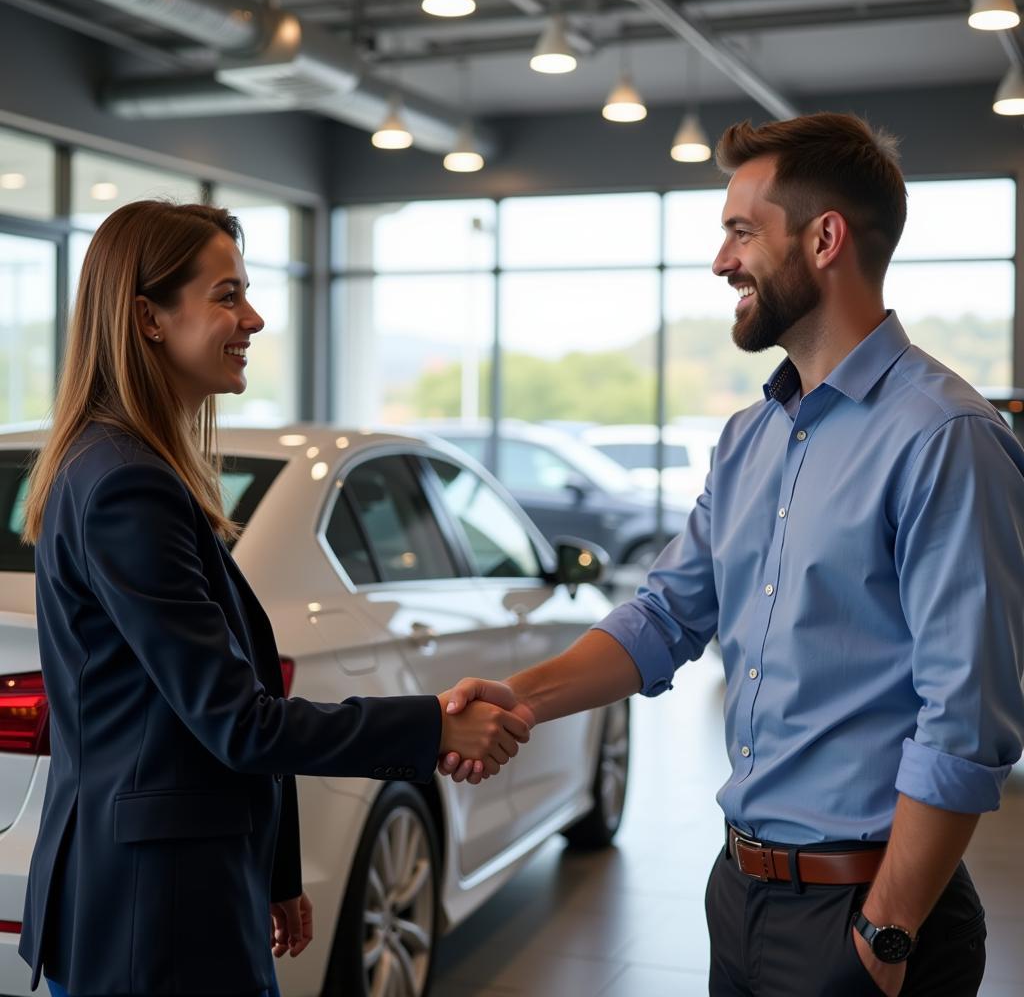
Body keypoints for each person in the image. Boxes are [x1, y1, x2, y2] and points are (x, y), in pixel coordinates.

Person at [440, 113, 1024, 997]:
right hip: (741, 893)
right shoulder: (751, 437)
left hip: (869, 913)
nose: (721, 263)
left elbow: (967, 721)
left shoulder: (945, 437)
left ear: (826, 239)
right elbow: (666, 615)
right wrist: (519, 698)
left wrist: (887, 936)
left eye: (742, 232)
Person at [18, 200, 530, 997]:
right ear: (149, 317)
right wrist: (434, 723)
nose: (252, 318)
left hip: (166, 893)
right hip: (152, 919)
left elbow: (200, 714)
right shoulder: (127, 484)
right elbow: (237, 721)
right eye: (227, 295)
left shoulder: (126, 466)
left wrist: (276, 865)